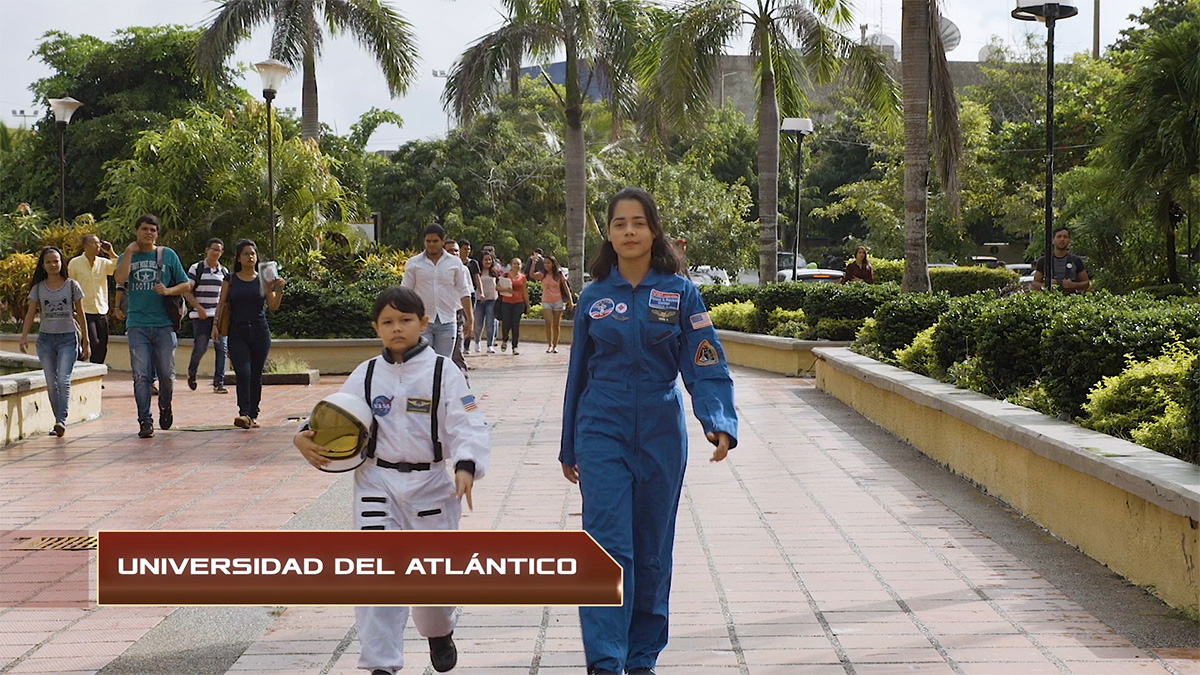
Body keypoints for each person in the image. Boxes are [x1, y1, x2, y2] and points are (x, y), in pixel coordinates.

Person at [560, 187, 737, 675]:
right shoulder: (595, 298)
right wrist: (569, 445)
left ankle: (641, 657)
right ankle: (605, 659)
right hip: (601, 427)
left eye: (639, 222)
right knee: (605, 544)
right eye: (620, 224)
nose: (630, 231)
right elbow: (578, 374)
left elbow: (705, 361)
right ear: (609, 234)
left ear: (654, 230)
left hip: (661, 428)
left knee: (652, 546)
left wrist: (718, 419)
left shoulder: (681, 293)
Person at [293, 286, 490, 675]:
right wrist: (304, 434)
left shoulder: (443, 372)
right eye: (388, 322)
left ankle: (439, 631)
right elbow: (336, 413)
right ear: (376, 327)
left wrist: (466, 465)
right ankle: (381, 664)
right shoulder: (366, 374)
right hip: (376, 482)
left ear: (424, 323)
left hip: (432, 485)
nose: (397, 328)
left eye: (405, 320)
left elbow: (469, 423)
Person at [113, 214, 193, 439]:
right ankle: (145, 420)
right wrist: (128, 253)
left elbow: (186, 283)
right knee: (141, 375)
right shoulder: (127, 256)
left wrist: (168, 291)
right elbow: (120, 279)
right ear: (136, 231)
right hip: (137, 324)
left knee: (166, 375)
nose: (149, 233)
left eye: (153, 230)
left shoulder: (167, 255)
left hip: (164, 325)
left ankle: (165, 406)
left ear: (157, 234)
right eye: (145, 229)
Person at [20, 247, 90, 437]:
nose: (53, 264)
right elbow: (30, 313)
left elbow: (81, 315)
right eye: (48, 261)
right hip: (45, 340)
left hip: (68, 338)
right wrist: (24, 336)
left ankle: (61, 420)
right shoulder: (38, 288)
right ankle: (58, 421)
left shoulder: (72, 285)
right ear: (43, 265)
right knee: (51, 382)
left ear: (62, 263)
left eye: (56, 261)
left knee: (63, 380)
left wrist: (86, 341)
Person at [215, 239, 285, 429]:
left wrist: (279, 289)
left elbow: (273, 306)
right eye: (245, 253)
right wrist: (216, 326)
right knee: (243, 372)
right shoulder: (230, 279)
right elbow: (222, 304)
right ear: (239, 258)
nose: (250, 256)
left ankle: (253, 414)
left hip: (259, 331)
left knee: (255, 374)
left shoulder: (263, 278)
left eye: (252, 253)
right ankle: (244, 413)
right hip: (237, 331)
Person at [401, 224, 474, 361]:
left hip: (447, 320)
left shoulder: (455, 263)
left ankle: (440, 383)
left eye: (435, 241)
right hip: (423, 321)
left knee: (443, 363)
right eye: (428, 241)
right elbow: (406, 292)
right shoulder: (414, 263)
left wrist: (470, 318)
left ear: (442, 241)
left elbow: (464, 291)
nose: (431, 244)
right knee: (424, 361)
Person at [185, 238, 230, 394]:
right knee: (200, 348)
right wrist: (199, 308)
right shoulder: (196, 268)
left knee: (222, 348)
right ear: (207, 250)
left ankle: (219, 382)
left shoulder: (224, 272)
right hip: (200, 316)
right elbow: (186, 291)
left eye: (219, 250)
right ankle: (192, 372)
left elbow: (226, 296)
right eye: (213, 249)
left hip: (218, 317)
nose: (216, 253)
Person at [66, 234, 115, 365]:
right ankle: (80, 369)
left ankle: (96, 374)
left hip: (101, 309)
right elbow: (69, 286)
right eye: (95, 243)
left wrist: (110, 252)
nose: (98, 246)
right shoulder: (75, 263)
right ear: (86, 246)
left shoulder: (103, 263)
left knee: (102, 344)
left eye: (99, 243)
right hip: (84, 310)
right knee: (92, 342)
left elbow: (117, 267)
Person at [532, 255, 573, 353]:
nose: (546, 265)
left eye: (548, 263)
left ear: (553, 264)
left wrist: (570, 301)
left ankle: (555, 345)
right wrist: (533, 263)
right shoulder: (543, 274)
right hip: (546, 300)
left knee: (556, 324)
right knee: (548, 323)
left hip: (558, 300)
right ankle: (549, 345)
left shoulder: (559, 275)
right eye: (545, 263)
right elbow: (532, 275)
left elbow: (565, 287)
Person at [442, 239, 470, 374]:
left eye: (456, 250)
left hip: (457, 315)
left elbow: (468, 294)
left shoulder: (464, 270)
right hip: (437, 315)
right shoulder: (437, 270)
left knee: (457, 353)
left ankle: (464, 386)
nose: (453, 253)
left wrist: (469, 318)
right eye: (449, 251)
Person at [1033, 227, 1090, 294]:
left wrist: (1073, 285)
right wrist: (1048, 286)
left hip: (1071, 299)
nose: (1062, 239)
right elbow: (1035, 284)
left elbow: (1086, 283)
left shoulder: (1076, 261)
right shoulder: (1043, 261)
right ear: (1053, 240)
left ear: (1069, 240)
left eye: (1065, 237)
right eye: (1059, 236)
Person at [471, 251, 500, 354]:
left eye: (489, 259)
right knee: (478, 323)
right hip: (479, 300)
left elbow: (500, 285)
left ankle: (490, 345)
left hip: (492, 300)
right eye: (485, 259)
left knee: (490, 322)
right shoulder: (477, 272)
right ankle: (477, 342)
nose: (488, 261)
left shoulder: (495, 272)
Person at [498, 257, 528, 355]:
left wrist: (528, 305)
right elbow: (497, 287)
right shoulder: (506, 275)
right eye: (514, 264)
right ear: (511, 265)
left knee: (516, 325)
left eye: (518, 264)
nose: (516, 266)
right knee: (506, 323)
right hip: (506, 302)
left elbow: (524, 291)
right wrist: (506, 289)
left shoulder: (523, 277)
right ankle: (504, 339)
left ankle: (515, 346)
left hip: (518, 303)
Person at [457, 239, 482, 354]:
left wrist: (480, 292)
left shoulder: (473, 263)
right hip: (456, 294)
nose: (467, 251)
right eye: (465, 249)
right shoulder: (454, 263)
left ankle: (466, 345)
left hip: (470, 293)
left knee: (469, 318)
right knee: (458, 319)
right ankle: (458, 343)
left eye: (469, 249)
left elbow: (477, 279)